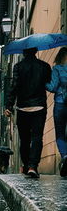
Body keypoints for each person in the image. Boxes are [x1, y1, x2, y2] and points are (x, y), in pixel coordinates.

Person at [5, 47, 51, 178]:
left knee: (24, 139)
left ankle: (26, 165)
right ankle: (33, 166)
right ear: (36, 51)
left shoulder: (18, 67)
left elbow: (14, 86)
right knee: (37, 137)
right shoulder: (44, 66)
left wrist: (9, 105)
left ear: (24, 53)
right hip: (39, 107)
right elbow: (48, 83)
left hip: (23, 108)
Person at [46, 47, 67, 177]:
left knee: (60, 133)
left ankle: (65, 156)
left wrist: (44, 83)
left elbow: (52, 87)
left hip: (60, 104)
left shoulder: (57, 68)